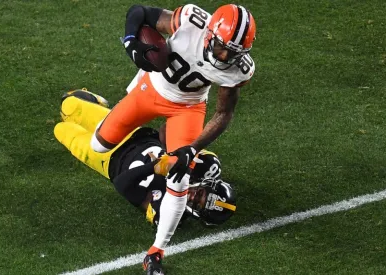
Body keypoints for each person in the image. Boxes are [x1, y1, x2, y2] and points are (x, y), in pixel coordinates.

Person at [89, 4, 256, 274]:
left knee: (180, 178)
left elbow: (223, 114)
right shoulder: (191, 20)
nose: (225, 55)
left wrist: (192, 149)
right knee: (98, 145)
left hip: (187, 108)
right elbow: (138, 12)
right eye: (223, 46)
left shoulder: (240, 69)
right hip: (152, 87)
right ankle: (98, 106)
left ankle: (155, 253)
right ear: (210, 32)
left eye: (234, 52)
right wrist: (131, 40)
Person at [54, 89, 237, 228]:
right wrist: (171, 154)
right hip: (133, 134)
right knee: (68, 105)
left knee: (61, 130)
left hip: (108, 161)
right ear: (208, 183)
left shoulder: (169, 213)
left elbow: (121, 184)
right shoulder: (205, 166)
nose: (193, 196)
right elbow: (167, 129)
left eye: (197, 204)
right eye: (201, 194)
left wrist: (155, 168)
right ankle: (98, 104)